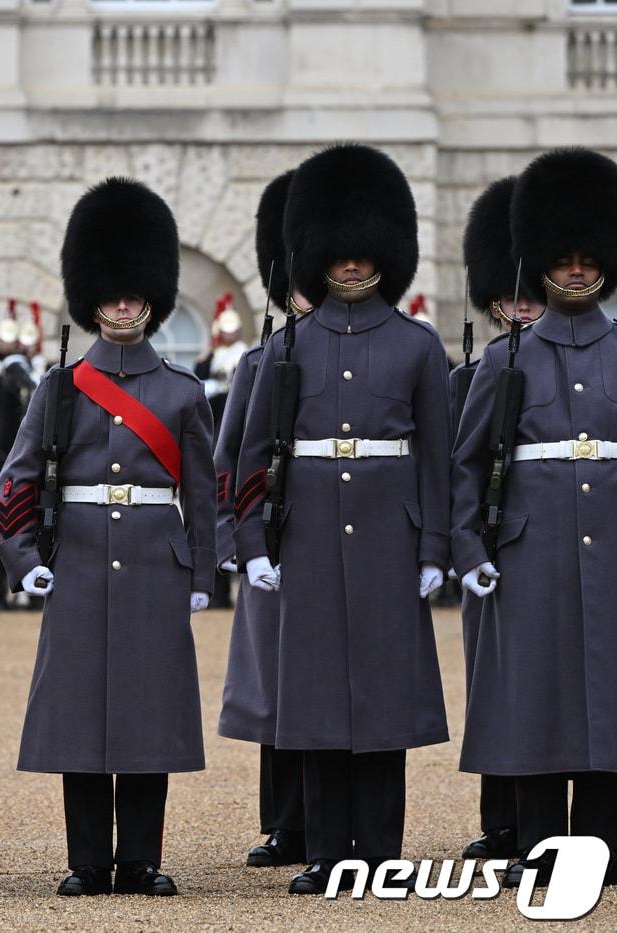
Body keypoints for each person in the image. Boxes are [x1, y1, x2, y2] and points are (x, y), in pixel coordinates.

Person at [236, 144, 451, 895]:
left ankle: (382, 854)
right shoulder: (288, 346)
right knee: (317, 696)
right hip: (309, 533)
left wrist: (435, 545)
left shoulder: (418, 346)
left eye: (366, 254)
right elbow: (252, 455)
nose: (353, 265)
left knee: (384, 699)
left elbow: (437, 456)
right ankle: (327, 851)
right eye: (340, 254)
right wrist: (249, 540)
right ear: (317, 256)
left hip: (389, 532)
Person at [0, 176, 216, 897]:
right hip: (81, 555)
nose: (122, 304)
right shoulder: (60, 387)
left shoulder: (181, 390)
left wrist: (204, 575)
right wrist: (25, 557)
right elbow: (16, 479)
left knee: (148, 711)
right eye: (111, 294)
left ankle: (141, 860)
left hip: (157, 557)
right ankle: (88, 859)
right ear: (91, 298)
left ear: (150, 298)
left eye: (133, 294)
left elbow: (203, 492)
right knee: (81, 710)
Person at [453, 147, 617, 888]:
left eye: (590, 257)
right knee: (541, 697)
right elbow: (468, 461)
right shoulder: (507, 360)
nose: (578, 270)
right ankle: (543, 843)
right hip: (531, 544)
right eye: (565, 258)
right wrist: (471, 546)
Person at [216, 169, 310, 870]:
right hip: (276, 541)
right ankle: (284, 821)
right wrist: (240, 544)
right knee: (278, 688)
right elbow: (231, 463)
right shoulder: (260, 361)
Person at [449, 175, 543, 863]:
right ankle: (503, 817)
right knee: (497, 680)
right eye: (509, 298)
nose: (520, 308)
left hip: (539, 538)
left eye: (528, 297)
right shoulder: (471, 373)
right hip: (495, 540)